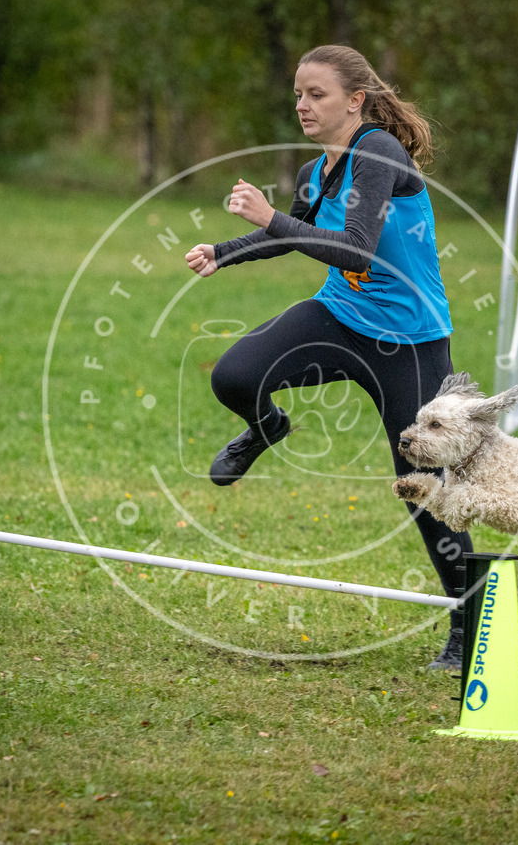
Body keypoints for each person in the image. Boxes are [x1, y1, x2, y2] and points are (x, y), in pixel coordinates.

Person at [184, 44, 472, 670]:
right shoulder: (320, 169)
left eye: (316, 95)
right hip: (339, 317)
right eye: (297, 94)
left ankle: (470, 628)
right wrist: (224, 250)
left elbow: (356, 252)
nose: (302, 106)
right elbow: (289, 232)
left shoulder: (378, 153)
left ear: (355, 100)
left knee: (422, 488)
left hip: (410, 340)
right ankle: (267, 428)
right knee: (235, 376)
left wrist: (270, 218)